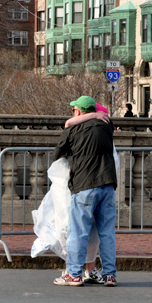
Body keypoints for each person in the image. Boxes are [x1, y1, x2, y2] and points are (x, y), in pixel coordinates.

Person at [52, 95, 118, 287]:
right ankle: (109, 275)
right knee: (107, 233)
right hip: (107, 184)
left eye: (75, 110)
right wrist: (95, 115)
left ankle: (73, 273)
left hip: (84, 185)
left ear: (78, 111)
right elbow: (102, 115)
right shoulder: (106, 125)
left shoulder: (72, 130)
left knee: (78, 232)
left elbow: (58, 156)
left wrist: (75, 121)